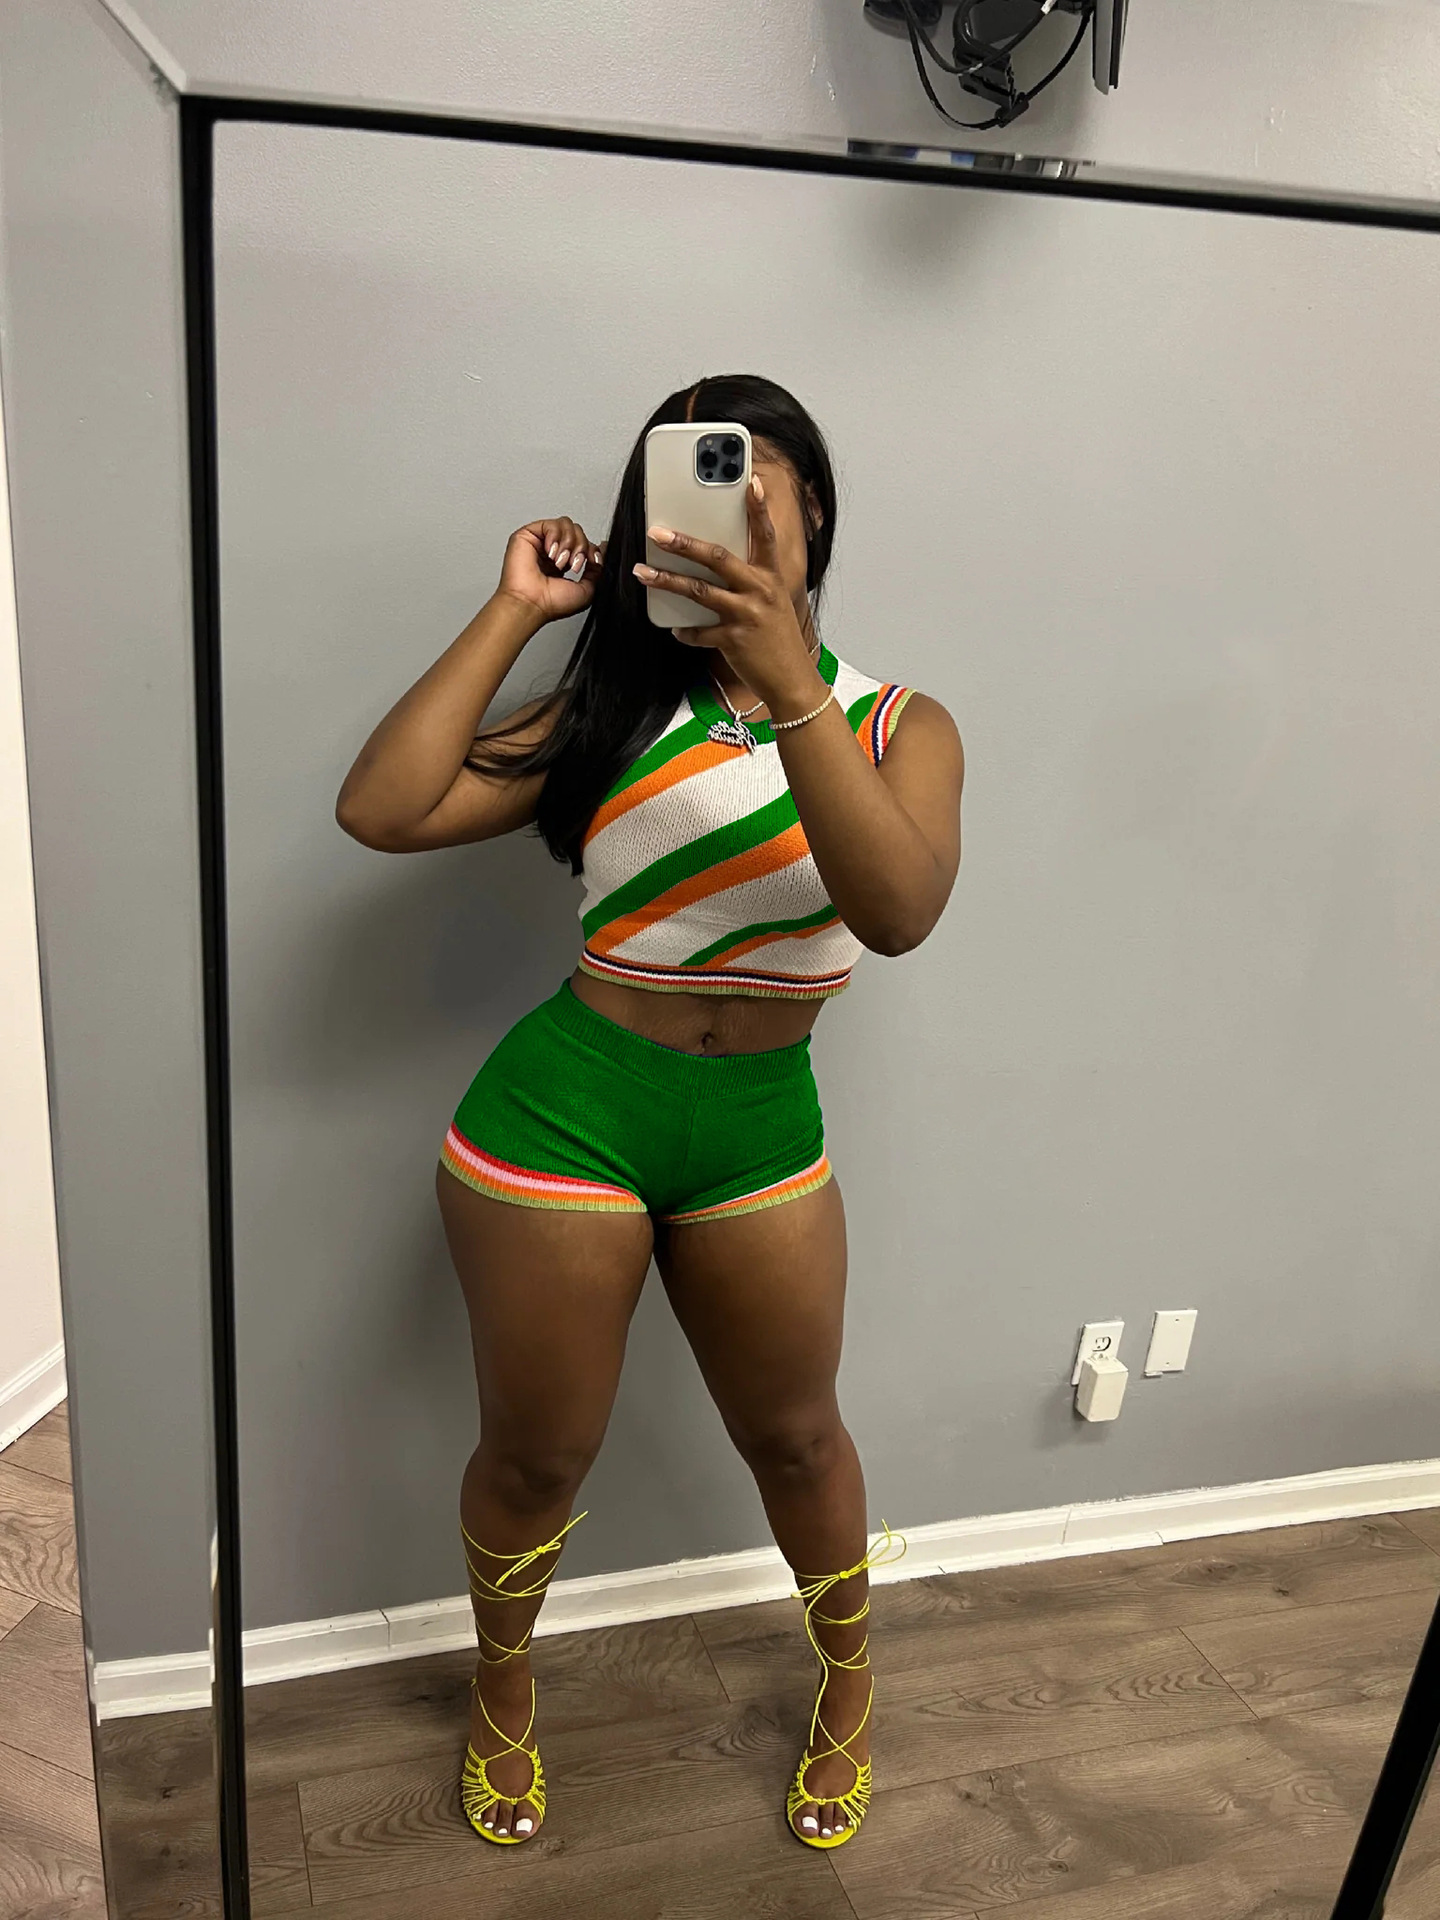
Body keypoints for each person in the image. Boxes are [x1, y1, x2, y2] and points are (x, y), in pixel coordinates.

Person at [335, 373, 964, 1851]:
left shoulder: (898, 725)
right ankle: (503, 1686)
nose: (717, 532)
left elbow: (897, 913)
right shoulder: (615, 711)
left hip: (759, 1124)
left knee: (798, 1441)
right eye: (686, 506)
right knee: (537, 1458)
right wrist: (517, 611)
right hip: (564, 1114)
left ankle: (850, 1684)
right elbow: (383, 807)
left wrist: (790, 682)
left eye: (752, 497)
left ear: (815, 514)